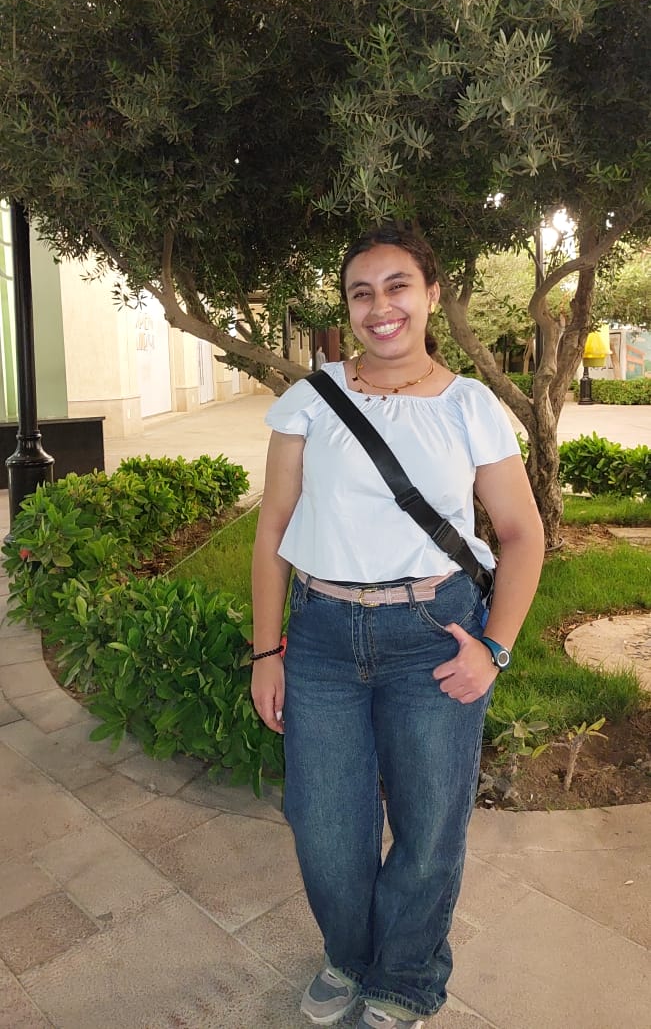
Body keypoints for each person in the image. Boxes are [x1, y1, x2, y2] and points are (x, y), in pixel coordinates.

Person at [251, 224, 544, 1029]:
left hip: (432, 634)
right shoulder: (310, 399)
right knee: (324, 825)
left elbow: (520, 534)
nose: (379, 307)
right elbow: (273, 528)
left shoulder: (467, 405)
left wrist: (494, 648)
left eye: (396, 286)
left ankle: (406, 977)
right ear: (347, 308)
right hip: (320, 636)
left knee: (428, 825)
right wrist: (267, 650)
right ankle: (348, 956)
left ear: (431, 295)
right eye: (361, 293)